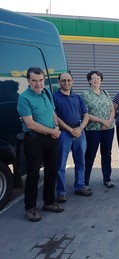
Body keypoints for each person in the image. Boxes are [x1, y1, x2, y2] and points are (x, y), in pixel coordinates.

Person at [17, 67, 64, 222]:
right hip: (34, 139)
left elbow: (53, 112)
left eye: (40, 80)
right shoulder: (24, 98)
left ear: (44, 80)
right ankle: (30, 208)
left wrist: (56, 127)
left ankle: (49, 202)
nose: (38, 84)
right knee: (33, 174)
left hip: (51, 138)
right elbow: (30, 124)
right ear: (28, 81)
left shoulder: (47, 92)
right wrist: (52, 131)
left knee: (51, 171)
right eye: (34, 81)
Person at [53, 72, 92, 203]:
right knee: (60, 164)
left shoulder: (77, 97)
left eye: (69, 80)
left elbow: (86, 114)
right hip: (64, 133)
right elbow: (55, 117)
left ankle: (80, 186)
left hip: (79, 132)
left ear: (72, 81)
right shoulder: (54, 97)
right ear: (59, 82)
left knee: (80, 162)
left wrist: (80, 128)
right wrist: (70, 130)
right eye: (63, 80)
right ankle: (61, 192)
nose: (66, 83)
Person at [82, 70, 116, 188]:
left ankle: (107, 179)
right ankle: (84, 182)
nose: (96, 80)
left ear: (101, 80)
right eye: (93, 78)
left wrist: (109, 122)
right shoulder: (85, 95)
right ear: (89, 81)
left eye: (98, 78)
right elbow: (86, 114)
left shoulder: (106, 93)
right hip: (93, 130)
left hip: (109, 129)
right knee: (90, 156)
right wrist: (103, 122)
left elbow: (112, 109)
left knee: (107, 154)